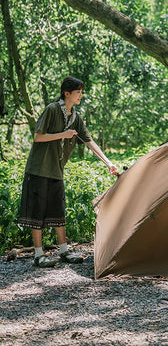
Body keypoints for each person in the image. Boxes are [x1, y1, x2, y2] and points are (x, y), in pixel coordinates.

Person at [19, 76, 119, 268]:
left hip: (56, 170)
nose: (81, 95)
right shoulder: (52, 109)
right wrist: (63, 135)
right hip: (38, 169)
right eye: (78, 92)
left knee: (58, 210)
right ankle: (39, 255)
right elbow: (38, 137)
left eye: (81, 92)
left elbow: (89, 141)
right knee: (37, 212)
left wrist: (109, 163)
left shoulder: (75, 116)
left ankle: (64, 251)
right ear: (67, 93)